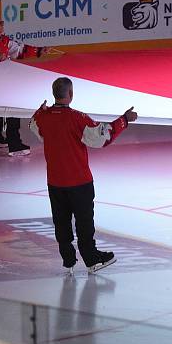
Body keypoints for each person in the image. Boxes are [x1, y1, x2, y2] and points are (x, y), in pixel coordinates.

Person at [29, 77, 137, 274]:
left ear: (55, 94)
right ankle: (91, 259)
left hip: (55, 182)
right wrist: (124, 120)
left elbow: (33, 125)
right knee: (84, 222)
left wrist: (40, 110)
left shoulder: (44, 117)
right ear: (70, 95)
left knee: (61, 222)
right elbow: (103, 136)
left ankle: (68, 261)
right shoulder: (77, 118)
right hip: (79, 182)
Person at [0, 13, 51, 156]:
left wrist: (39, 50)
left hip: (5, 81)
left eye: (2, 22)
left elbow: (20, 50)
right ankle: (15, 144)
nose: (2, 24)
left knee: (3, 110)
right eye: (0, 23)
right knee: (12, 110)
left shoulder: (5, 40)